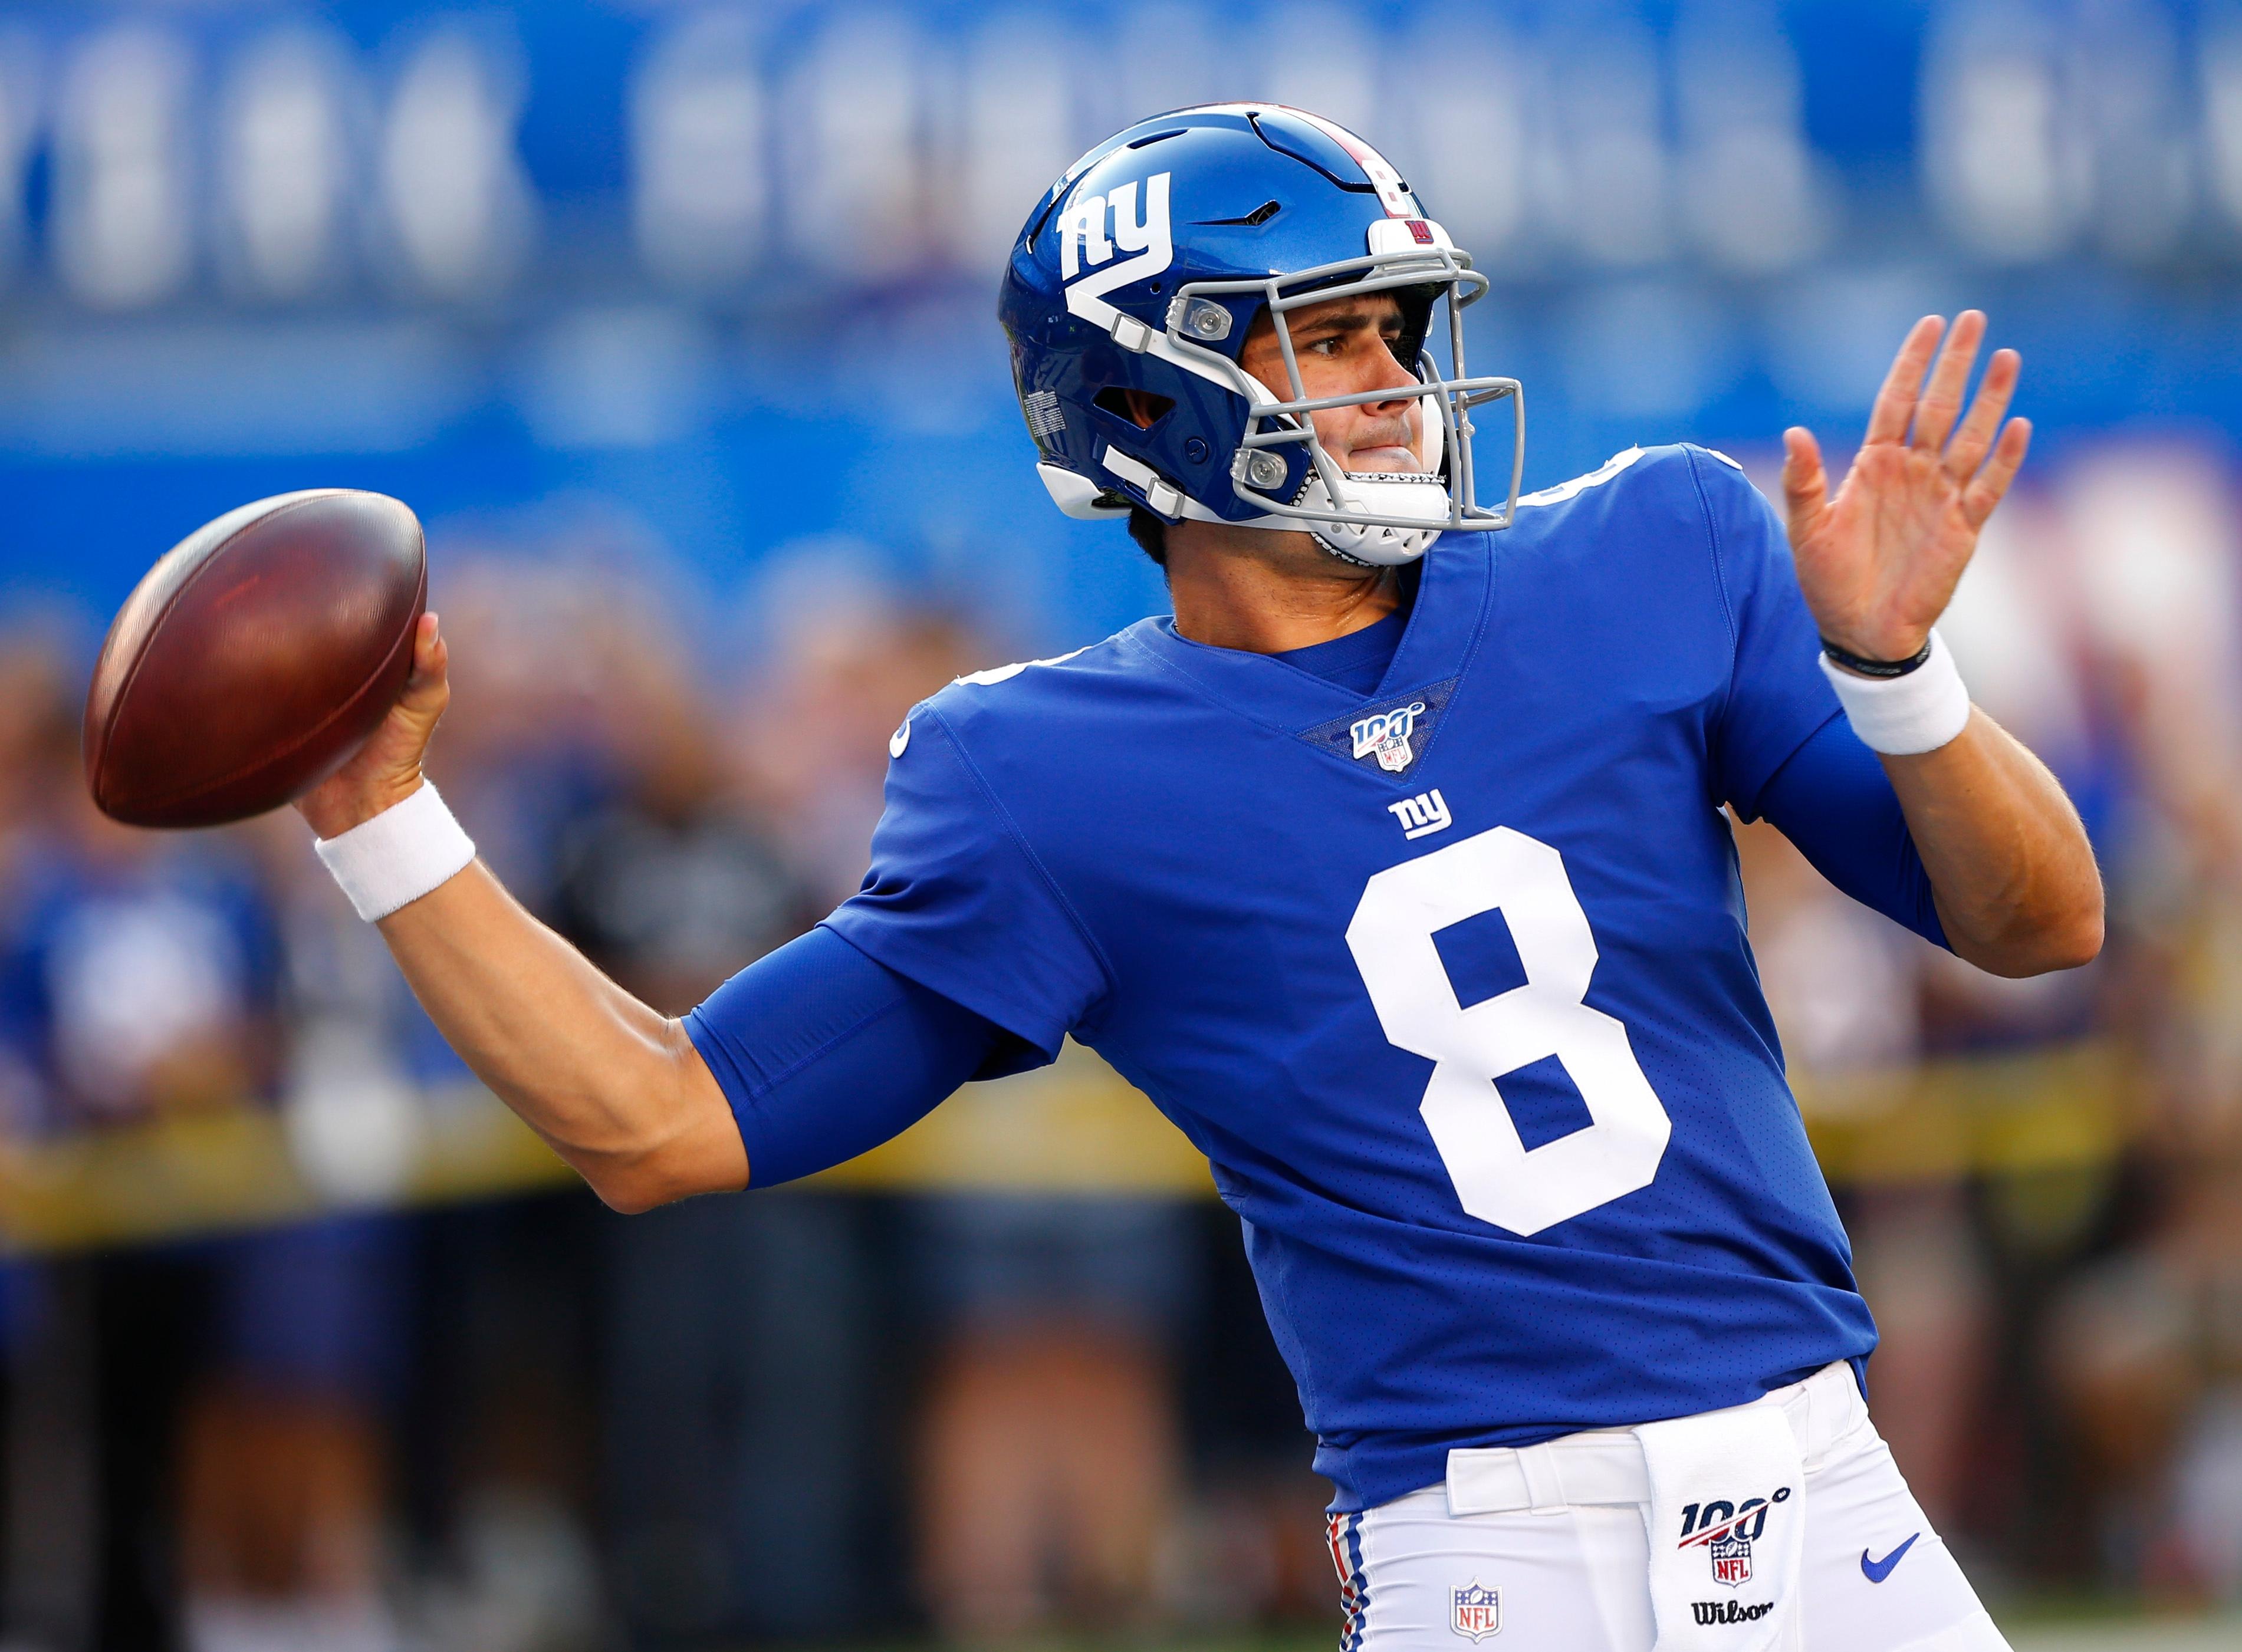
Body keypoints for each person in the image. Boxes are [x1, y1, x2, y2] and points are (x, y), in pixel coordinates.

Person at [288, 107, 2102, 1652]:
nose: (1396, 385)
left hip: (1827, 1482)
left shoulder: (1656, 546)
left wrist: (1901, 678)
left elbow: (2042, 926)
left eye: (1401, 331)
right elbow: (655, 1116)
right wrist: (382, 818)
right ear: (1145, 399)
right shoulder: (1044, 778)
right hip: (1499, 1555)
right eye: (1329, 338)